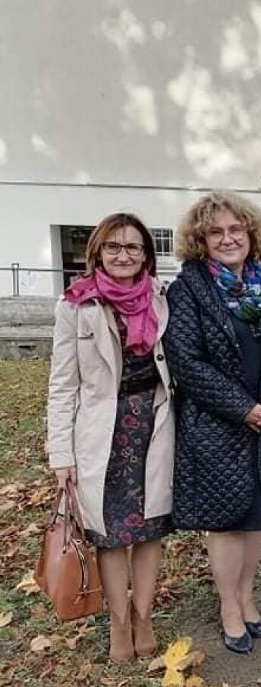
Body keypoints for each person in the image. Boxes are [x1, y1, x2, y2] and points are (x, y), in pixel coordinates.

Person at [164, 191, 261, 654]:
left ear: (250, 234)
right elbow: (186, 361)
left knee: (256, 516)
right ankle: (229, 606)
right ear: (201, 240)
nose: (228, 238)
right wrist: (242, 407)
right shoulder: (188, 289)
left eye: (236, 229)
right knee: (226, 521)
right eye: (216, 232)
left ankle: (248, 598)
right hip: (218, 426)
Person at [46, 214, 174, 663]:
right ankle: (119, 623)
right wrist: (61, 452)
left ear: (146, 256)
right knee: (109, 535)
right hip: (101, 432)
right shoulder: (75, 305)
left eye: (133, 247)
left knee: (149, 529)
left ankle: (144, 615)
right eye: (114, 247)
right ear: (97, 251)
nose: (123, 255)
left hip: (152, 428)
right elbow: (62, 385)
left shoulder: (161, 298)